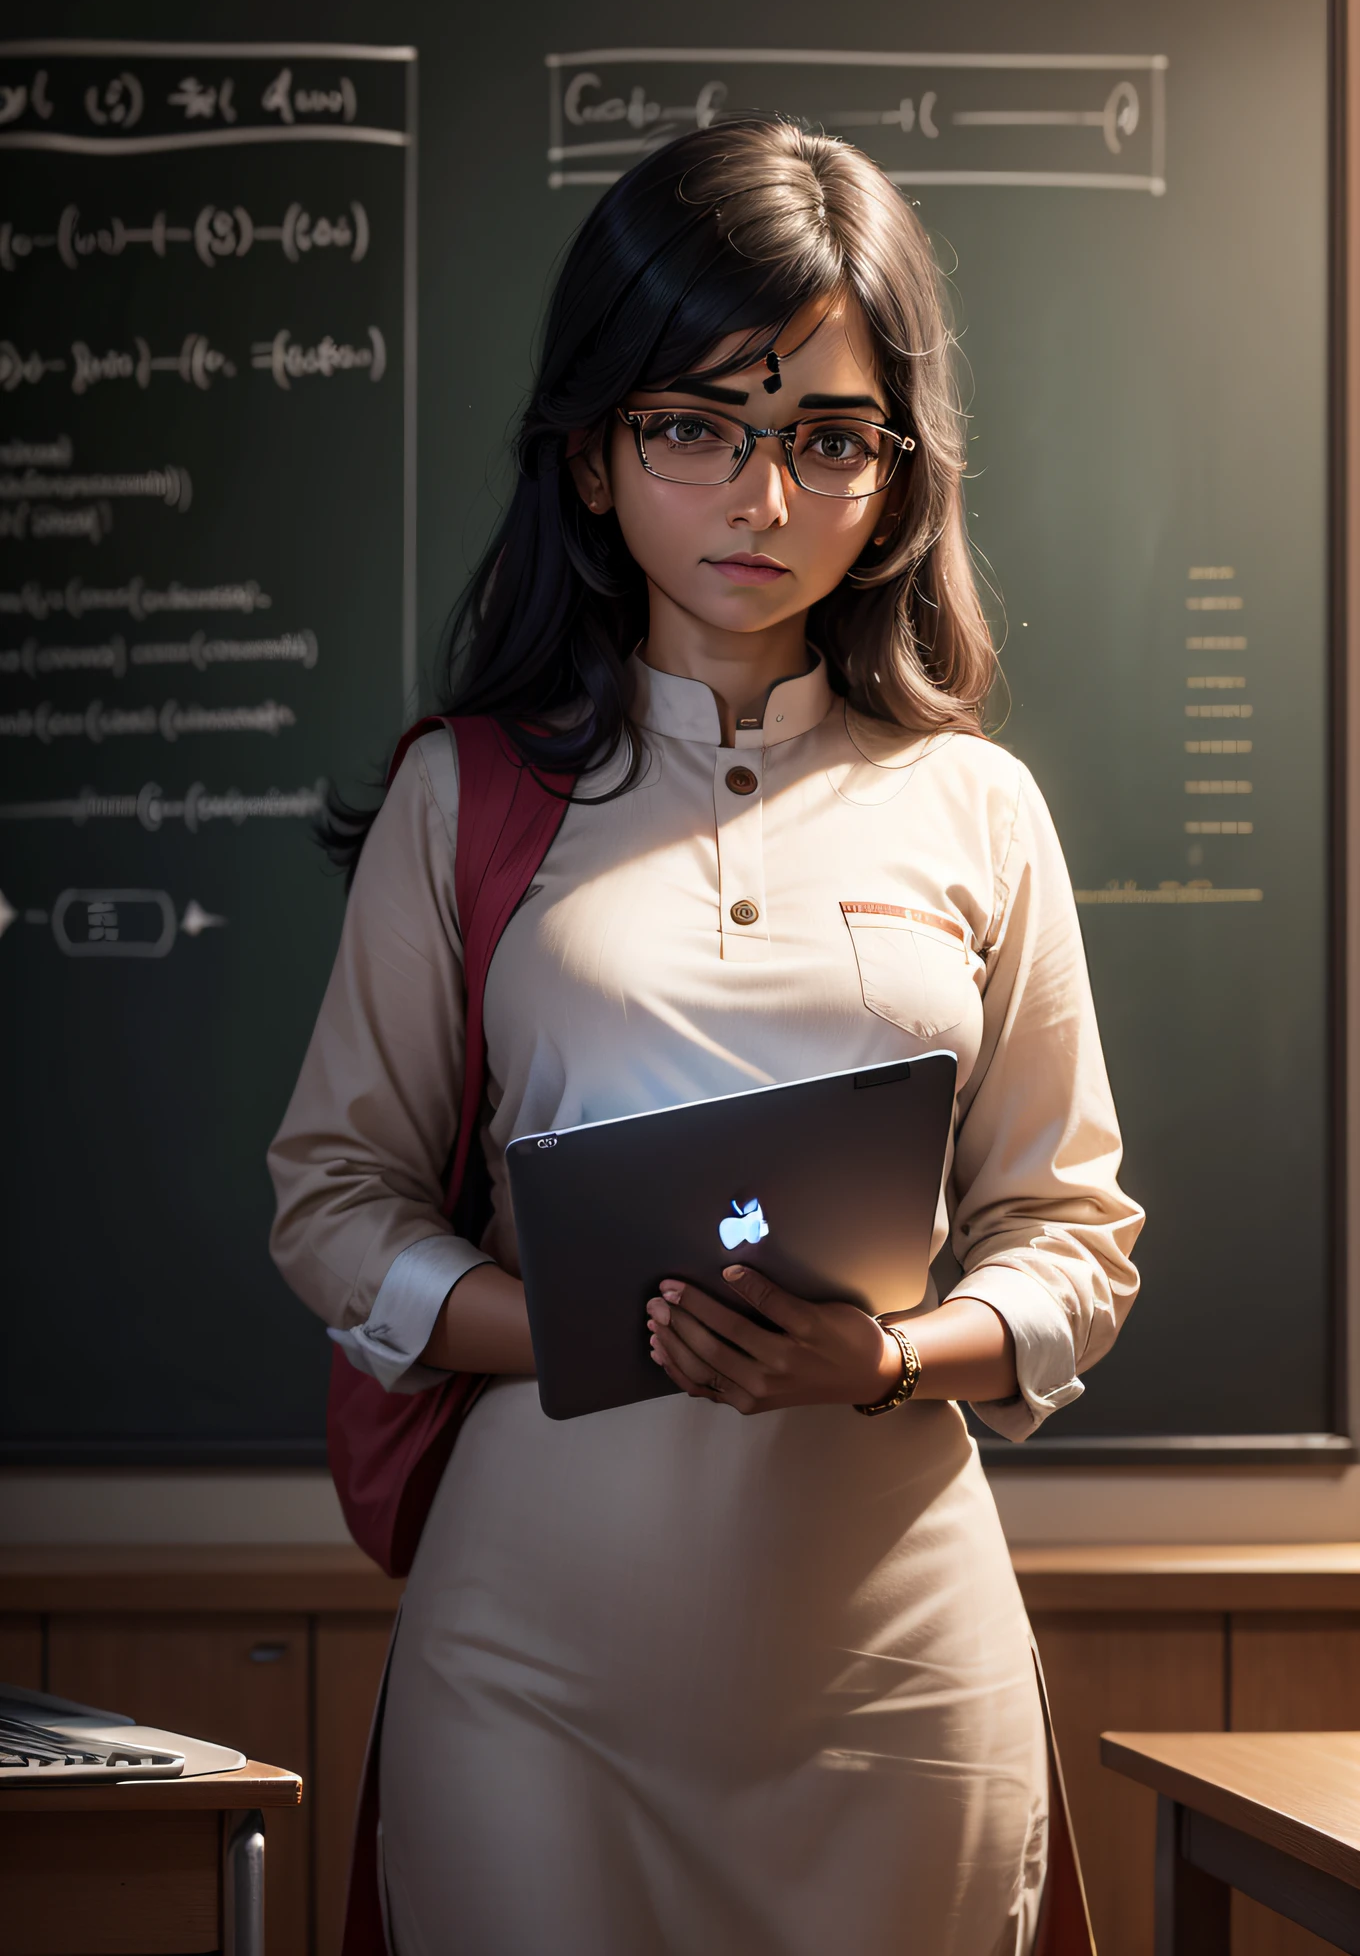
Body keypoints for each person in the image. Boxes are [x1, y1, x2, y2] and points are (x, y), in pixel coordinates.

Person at [269, 116, 1143, 1956]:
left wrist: (886, 1363)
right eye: (695, 429)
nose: (761, 498)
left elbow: (1076, 1239)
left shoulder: (977, 807)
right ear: (594, 457)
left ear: (897, 477)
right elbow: (330, 1205)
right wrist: (589, 1328)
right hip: (534, 1671)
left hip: (897, 1681)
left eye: (826, 437)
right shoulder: (468, 798)